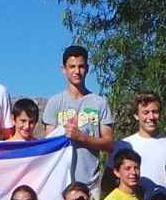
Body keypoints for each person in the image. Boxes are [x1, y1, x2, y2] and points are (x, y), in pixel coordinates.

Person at [42, 44, 115, 188]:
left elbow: (109, 144)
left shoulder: (99, 103)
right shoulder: (54, 103)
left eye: (81, 66)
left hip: (90, 184)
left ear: (87, 68)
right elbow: (49, 144)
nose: (77, 71)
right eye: (72, 66)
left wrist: (83, 138)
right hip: (61, 183)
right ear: (64, 69)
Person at [123, 90, 166, 193]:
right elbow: (111, 183)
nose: (151, 117)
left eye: (155, 112)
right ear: (136, 115)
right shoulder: (124, 145)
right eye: (145, 112)